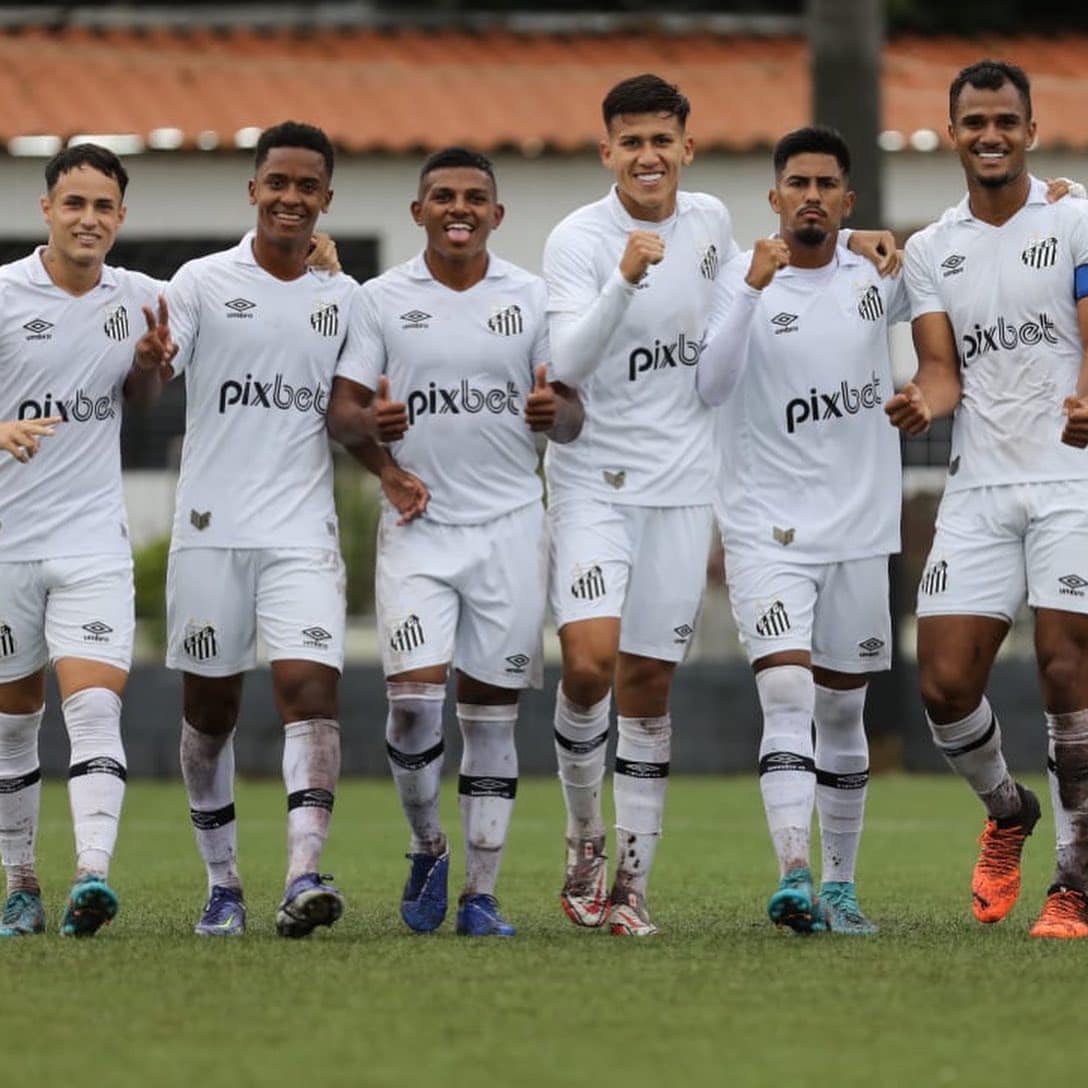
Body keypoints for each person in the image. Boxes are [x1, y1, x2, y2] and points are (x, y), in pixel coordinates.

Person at [542, 73, 898, 936]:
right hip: (593, 481)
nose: (648, 155)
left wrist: (864, 238)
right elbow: (567, 364)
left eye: (662, 139)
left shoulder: (708, 224)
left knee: (648, 688)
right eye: (631, 141)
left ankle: (630, 886)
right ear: (607, 153)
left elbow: (787, 268)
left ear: (686, 148)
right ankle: (583, 833)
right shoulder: (578, 239)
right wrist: (623, 282)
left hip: (683, 489)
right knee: (589, 666)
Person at [327, 147, 582, 937]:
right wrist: (380, 445)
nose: (458, 208)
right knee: (411, 709)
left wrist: (553, 416)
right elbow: (341, 414)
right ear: (419, 212)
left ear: (497, 216)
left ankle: (480, 894)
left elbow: (571, 414)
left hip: (510, 528)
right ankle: (427, 845)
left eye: (475, 197)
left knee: (491, 718)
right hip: (419, 528)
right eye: (442, 196)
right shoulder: (380, 300)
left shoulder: (534, 298)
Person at [885, 59, 1088, 939]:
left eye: (1006, 120)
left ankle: (1075, 880)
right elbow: (940, 371)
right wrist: (922, 401)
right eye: (975, 122)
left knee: (1064, 669)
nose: (991, 135)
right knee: (943, 684)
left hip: (1071, 480)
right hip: (980, 487)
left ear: (1031, 129)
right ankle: (1007, 811)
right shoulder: (934, 249)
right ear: (954, 132)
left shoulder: (1076, 218)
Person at [699, 126, 908, 935]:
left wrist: (1065, 196)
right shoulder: (736, 280)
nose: (812, 196)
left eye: (827, 185)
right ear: (775, 198)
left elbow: (962, 246)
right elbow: (711, 386)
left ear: (846, 202)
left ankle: (841, 885)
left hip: (859, 532)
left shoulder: (876, 273)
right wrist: (750, 290)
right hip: (767, 530)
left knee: (844, 716)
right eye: (798, 184)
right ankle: (791, 871)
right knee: (787, 692)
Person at [163, 121, 355, 938]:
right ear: (253, 189)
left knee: (311, 692)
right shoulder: (200, 282)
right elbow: (153, 366)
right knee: (210, 714)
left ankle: (303, 875)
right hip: (210, 532)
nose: (290, 197)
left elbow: (354, 408)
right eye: (277, 182)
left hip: (302, 532)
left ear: (325, 200)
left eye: (307, 186)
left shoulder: (346, 298)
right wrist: (142, 360)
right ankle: (224, 884)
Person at [0, 144, 174, 938]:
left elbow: (236, 301)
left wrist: (318, 267)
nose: (88, 219)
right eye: (74, 204)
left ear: (121, 218)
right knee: (13, 722)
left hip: (93, 543)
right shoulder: (3, 294)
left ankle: (91, 878)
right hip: (8, 547)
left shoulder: (142, 298)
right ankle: (22, 885)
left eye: (103, 207)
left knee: (96, 706)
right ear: (47, 210)